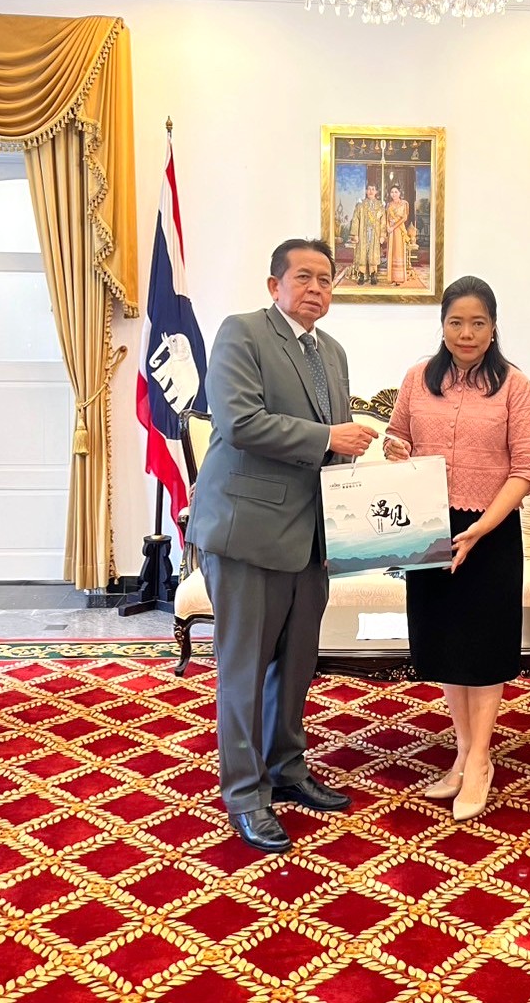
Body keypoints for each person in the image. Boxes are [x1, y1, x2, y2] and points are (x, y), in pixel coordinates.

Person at [185, 238, 378, 854]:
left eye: (326, 279)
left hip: (311, 535)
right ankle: (246, 794)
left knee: (296, 665)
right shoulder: (242, 333)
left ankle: (287, 769)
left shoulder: (333, 351)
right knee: (244, 669)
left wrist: (373, 448)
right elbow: (239, 422)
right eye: (304, 277)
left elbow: (332, 445)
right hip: (247, 529)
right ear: (275, 285)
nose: (317, 288)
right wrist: (330, 436)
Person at [384, 276, 530, 821]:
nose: (467, 333)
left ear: (493, 327)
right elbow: (398, 438)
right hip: (430, 528)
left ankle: (480, 761)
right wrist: (396, 450)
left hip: (491, 529)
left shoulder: (515, 386)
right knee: (447, 645)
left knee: (483, 646)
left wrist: (481, 529)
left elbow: (529, 467)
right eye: (456, 322)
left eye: (478, 323)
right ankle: (462, 752)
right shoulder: (416, 379)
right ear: (442, 325)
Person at [349, 182, 386, 284]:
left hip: (375, 234)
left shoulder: (380, 206)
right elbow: (355, 219)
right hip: (362, 233)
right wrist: (355, 234)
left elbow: (383, 222)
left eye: (373, 189)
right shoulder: (360, 205)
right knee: (362, 253)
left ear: (376, 191)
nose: (371, 191)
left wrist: (382, 235)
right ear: (366, 191)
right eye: (369, 189)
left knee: (373, 253)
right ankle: (361, 275)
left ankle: (373, 275)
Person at [384, 184, 410, 285]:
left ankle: (399, 278)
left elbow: (404, 218)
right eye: (392, 192)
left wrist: (393, 227)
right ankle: (392, 278)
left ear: (400, 193)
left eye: (396, 192)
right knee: (391, 252)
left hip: (399, 230)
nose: (394, 194)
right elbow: (386, 217)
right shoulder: (389, 205)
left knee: (398, 251)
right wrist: (388, 227)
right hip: (391, 232)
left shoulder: (404, 204)